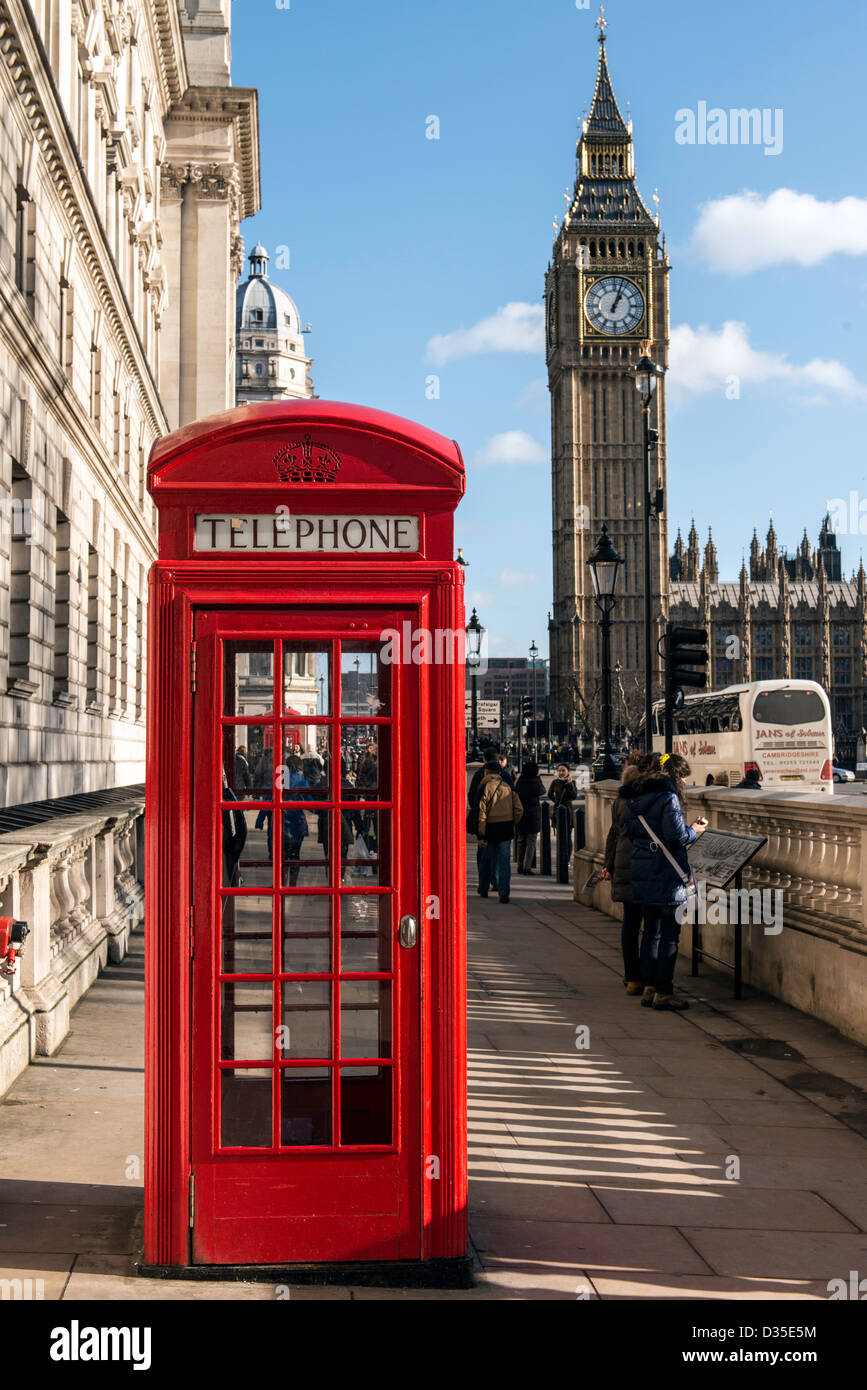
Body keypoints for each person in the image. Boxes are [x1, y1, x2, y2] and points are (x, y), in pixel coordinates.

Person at [622, 751, 707, 1011]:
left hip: (643, 869)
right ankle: (664, 992)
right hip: (667, 874)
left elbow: (631, 832)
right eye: (682, 777)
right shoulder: (668, 797)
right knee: (670, 936)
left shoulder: (634, 796)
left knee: (650, 933)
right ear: (672, 775)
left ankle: (649, 988)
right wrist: (696, 830)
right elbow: (676, 837)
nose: (684, 783)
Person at [599, 751, 645, 994]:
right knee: (651, 926)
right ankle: (647, 976)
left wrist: (608, 865)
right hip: (644, 865)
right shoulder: (648, 801)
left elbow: (613, 835)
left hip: (623, 864)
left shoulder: (619, 801)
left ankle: (631, 977)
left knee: (630, 924)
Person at [477, 758, 523, 903]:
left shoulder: (484, 787)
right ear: (500, 773)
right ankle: (504, 893)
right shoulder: (508, 787)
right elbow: (519, 809)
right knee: (504, 863)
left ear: (486, 772)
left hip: (490, 829)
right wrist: (512, 822)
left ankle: (484, 889)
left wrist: (481, 833)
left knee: (487, 861)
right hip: (505, 829)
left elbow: (481, 813)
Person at [515, 760, 544, 874]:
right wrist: (538, 778)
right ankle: (527, 867)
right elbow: (542, 790)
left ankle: (519, 865)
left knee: (521, 841)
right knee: (531, 842)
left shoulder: (520, 781)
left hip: (521, 813)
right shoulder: (536, 782)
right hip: (533, 814)